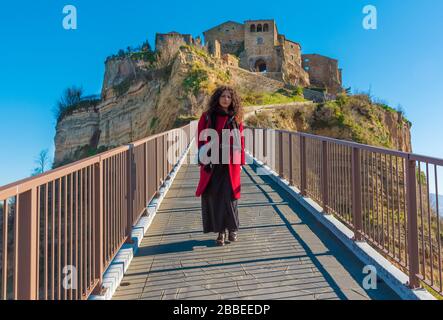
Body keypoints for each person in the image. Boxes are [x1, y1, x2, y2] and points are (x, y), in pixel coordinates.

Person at [195, 85, 245, 246]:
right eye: (223, 96)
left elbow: (241, 141)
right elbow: (201, 139)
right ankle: (220, 232)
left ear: (232, 100)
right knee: (215, 196)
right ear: (217, 98)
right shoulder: (207, 116)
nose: (226, 99)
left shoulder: (236, 118)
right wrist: (202, 158)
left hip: (231, 163)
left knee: (230, 197)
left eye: (229, 97)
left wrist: (242, 161)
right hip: (212, 163)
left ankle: (232, 229)